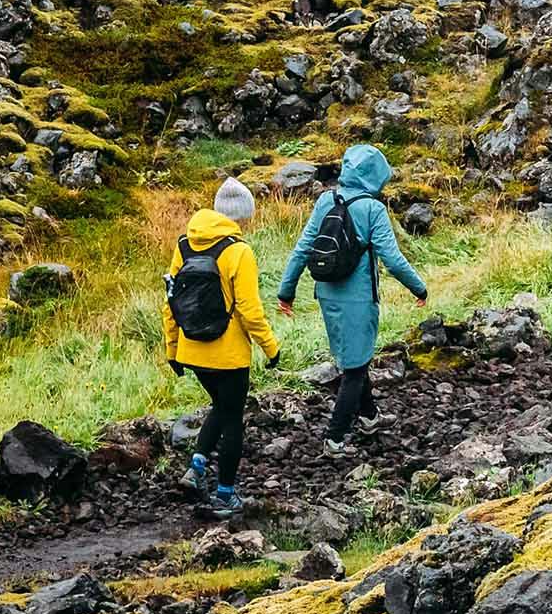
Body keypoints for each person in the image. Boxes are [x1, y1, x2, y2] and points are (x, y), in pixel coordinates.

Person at [274, 142, 427, 447]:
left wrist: (286, 291)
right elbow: (392, 258)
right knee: (354, 370)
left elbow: (303, 248)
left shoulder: (325, 200)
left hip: (327, 296)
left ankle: (369, 417)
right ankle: (334, 440)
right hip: (358, 300)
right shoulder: (372, 209)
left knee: (355, 359)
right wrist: (419, 288)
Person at [159, 175, 278, 516]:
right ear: (241, 216)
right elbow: (250, 311)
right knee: (232, 418)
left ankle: (196, 468)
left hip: (191, 350)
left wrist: (172, 349)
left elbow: (170, 305)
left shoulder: (184, 246)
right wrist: (271, 348)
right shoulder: (239, 252)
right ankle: (225, 494)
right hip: (228, 356)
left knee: (221, 405)